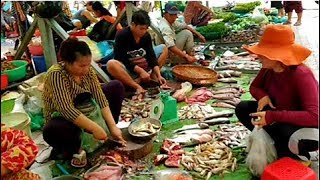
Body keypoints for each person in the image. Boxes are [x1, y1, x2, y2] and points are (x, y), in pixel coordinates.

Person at [236, 24, 319, 160]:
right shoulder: (268, 68)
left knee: (282, 131)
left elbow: (314, 116)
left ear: (278, 56)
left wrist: (272, 116)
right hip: (280, 116)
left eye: (263, 53)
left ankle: (297, 152)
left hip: (305, 128)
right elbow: (254, 87)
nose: (258, 56)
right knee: (243, 108)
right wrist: (262, 96)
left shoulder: (301, 74)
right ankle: (275, 144)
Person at [42, 37, 126, 167]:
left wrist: (113, 126)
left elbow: (100, 97)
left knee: (115, 87)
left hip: (87, 109)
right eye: (81, 65)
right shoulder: (56, 74)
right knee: (52, 129)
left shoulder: (88, 71)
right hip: (66, 118)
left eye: (88, 64)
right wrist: (94, 127)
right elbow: (66, 109)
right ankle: (75, 148)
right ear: (67, 62)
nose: (86, 69)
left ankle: (108, 134)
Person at [107, 10, 168, 95]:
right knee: (111, 64)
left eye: (146, 29)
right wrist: (139, 71)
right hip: (130, 70)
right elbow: (121, 58)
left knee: (163, 48)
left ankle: (152, 77)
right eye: (141, 28)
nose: (143, 31)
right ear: (132, 25)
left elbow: (151, 56)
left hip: (144, 67)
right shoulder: (122, 35)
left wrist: (158, 75)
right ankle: (136, 85)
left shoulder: (146, 36)